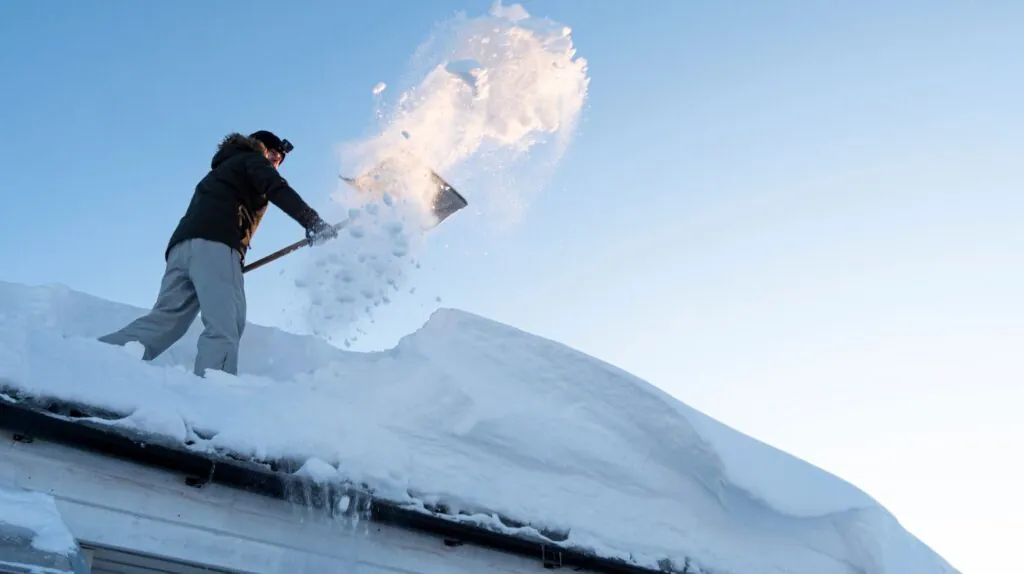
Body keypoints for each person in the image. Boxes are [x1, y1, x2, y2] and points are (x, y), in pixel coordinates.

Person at [98, 130, 337, 377]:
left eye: (279, 160)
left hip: (182, 249)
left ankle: (94, 360)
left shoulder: (222, 170)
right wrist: (313, 222)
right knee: (226, 324)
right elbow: (276, 188)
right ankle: (212, 396)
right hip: (216, 246)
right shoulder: (252, 160)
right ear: (260, 147)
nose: (275, 163)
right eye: (274, 154)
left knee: (165, 321)